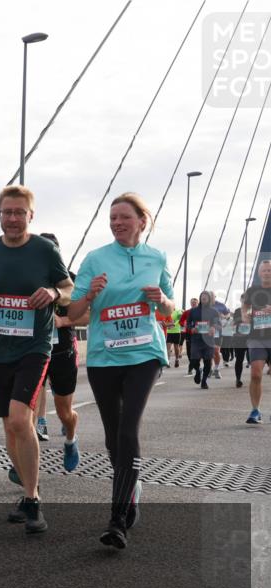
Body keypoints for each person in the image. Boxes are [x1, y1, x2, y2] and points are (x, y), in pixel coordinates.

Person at [67, 193, 174, 549]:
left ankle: (117, 518)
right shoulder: (95, 259)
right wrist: (91, 295)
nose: (116, 223)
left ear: (142, 222)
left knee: (129, 429)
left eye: (123, 217)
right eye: (112, 218)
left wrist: (163, 300)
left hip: (144, 353)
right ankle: (132, 485)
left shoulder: (156, 258)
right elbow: (76, 311)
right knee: (114, 436)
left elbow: (170, 312)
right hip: (104, 356)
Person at [0, 185, 73, 534]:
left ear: (31, 215)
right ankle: (31, 488)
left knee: (19, 419)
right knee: (9, 427)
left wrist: (55, 292)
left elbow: (69, 288)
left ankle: (32, 501)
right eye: (6, 212)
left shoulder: (45, 250)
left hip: (34, 345)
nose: (12, 218)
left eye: (19, 212)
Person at [32, 232, 84, 472]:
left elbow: (89, 314)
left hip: (62, 350)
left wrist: (62, 322)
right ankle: (25, 465)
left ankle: (71, 438)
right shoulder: (27, 277)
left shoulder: (71, 279)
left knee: (64, 412)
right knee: (25, 411)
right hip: (31, 350)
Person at [242, 259, 271, 424]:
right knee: (256, 374)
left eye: (269, 270)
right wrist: (245, 315)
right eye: (264, 270)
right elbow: (245, 306)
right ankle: (255, 410)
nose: (267, 273)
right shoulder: (252, 290)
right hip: (257, 337)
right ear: (260, 273)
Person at [185, 291, 221, 390]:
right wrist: (191, 328)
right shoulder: (193, 311)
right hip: (196, 339)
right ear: (200, 298)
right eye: (202, 296)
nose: (204, 298)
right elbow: (187, 324)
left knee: (207, 361)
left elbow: (219, 324)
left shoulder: (214, 311)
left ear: (209, 299)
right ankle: (197, 371)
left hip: (208, 340)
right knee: (194, 360)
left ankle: (204, 381)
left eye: (206, 296)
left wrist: (213, 328)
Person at [180, 297, 199, 376]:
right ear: (190, 303)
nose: (193, 304)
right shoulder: (187, 312)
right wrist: (183, 324)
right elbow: (181, 321)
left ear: (197, 303)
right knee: (189, 352)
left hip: (198, 334)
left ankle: (191, 367)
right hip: (188, 333)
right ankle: (193, 365)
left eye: (195, 303)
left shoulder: (200, 312)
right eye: (192, 303)